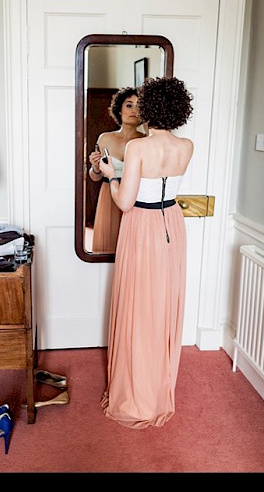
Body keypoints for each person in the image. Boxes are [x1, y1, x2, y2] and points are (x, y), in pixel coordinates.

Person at [97, 76, 194, 429]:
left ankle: (138, 393)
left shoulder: (138, 149)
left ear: (150, 109)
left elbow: (125, 202)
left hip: (142, 224)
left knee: (140, 308)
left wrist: (110, 175)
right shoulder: (187, 146)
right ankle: (157, 386)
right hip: (172, 222)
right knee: (163, 305)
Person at [87, 87, 146, 253]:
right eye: (129, 105)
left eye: (138, 106)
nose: (134, 110)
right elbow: (95, 177)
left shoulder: (146, 141)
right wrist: (95, 167)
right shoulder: (105, 138)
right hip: (108, 195)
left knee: (132, 248)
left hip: (135, 196)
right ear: (119, 109)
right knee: (107, 243)